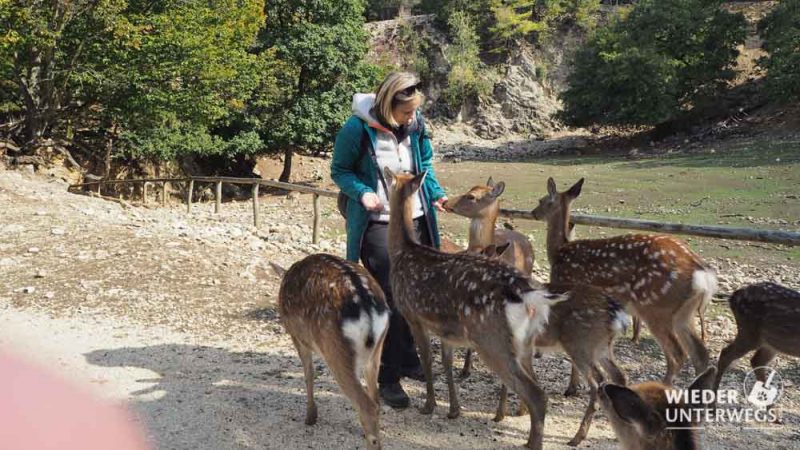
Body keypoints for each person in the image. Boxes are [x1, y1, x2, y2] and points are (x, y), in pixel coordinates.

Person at [331, 72, 448, 408]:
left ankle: (410, 358)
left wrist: (436, 194)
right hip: (379, 224)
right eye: (406, 113)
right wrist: (363, 192)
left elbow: (425, 164)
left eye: (414, 113)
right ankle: (387, 377)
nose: (412, 118)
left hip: (417, 220)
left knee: (416, 293)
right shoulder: (356, 129)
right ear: (387, 105)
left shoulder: (416, 124)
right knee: (392, 297)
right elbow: (340, 171)